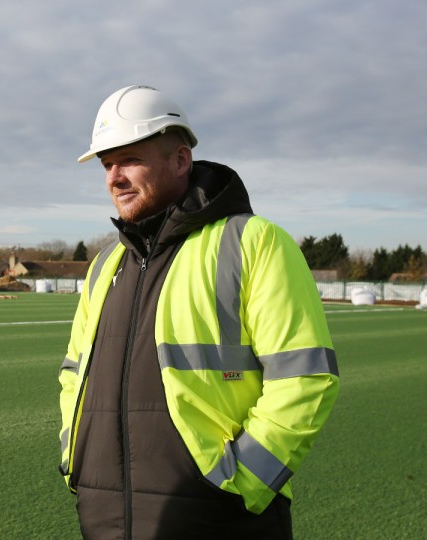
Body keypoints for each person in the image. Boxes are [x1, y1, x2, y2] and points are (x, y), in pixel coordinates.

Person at [58, 85, 340, 539]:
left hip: (220, 521)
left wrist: (239, 483)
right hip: (105, 520)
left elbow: (305, 378)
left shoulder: (254, 243)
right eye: (107, 164)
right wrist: (78, 465)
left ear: (181, 160)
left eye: (130, 159)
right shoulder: (104, 265)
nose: (114, 177)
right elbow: (75, 374)